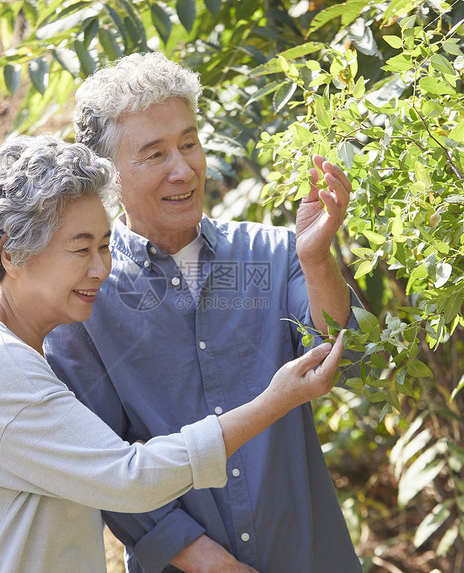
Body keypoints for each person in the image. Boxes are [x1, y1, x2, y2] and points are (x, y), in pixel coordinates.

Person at [0, 134, 346, 572]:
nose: (100, 268)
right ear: (13, 254)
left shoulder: (2, 346)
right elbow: (129, 477)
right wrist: (276, 401)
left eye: (106, 246)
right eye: (80, 249)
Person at [43, 53, 364, 572]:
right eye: (154, 154)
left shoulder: (278, 252)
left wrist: (316, 257)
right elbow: (106, 465)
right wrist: (207, 562)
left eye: (189, 143)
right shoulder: (85, 301)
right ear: (108, 175)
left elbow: (341, 361)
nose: (183, 168)